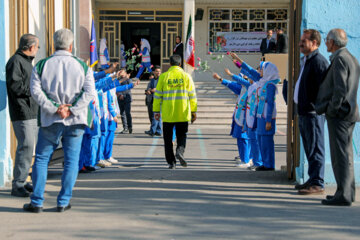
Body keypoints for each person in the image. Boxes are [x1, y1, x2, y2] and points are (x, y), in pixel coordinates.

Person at [24, 28, 97, 213]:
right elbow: (89, 93)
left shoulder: (41, 65)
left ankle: (37, 201)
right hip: (75, 120)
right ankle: (63, 201)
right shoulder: (82, 66)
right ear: (71, 46)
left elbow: (36, 92)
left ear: (54, 44)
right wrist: (71, 109)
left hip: (51, 119)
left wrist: (55, 108)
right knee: (71, 161)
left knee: (41, 159)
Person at [316, 29, 360, 206]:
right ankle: (346, 192)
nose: (325, 43)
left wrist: (332, 109)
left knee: (340, 156)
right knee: (345, 156)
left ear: (333, 42)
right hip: (347, 113)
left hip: (340, 115)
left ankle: (343, 195)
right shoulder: (350, 57)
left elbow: (340, 90)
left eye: (327, 40)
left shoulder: (340, 59)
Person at [294, 29, 329, 195]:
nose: (300, 43)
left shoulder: (319, 62)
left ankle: (318, 183)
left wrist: (317, 107)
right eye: (301, 40)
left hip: (313, 114)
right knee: (309, 148)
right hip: (304, 112)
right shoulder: (307, 60)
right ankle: (312, 178)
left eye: (304, 41)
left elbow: (326, 89)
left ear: (314, 43)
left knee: (316, 149)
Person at [6, 34, 40, 197]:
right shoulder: (16, 61)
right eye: (37, 47)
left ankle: (23, 179)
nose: (37, 50)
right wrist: (34, 91)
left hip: (31, 111)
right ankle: (17, 184)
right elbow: (15, 87)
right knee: (25, 146)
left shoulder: (26, 62)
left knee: (28, 147)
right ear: (31, 47)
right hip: (22, 111)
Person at [153, 55, 197, 169]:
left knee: (167, 140)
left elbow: (157, 96)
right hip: (182, 113)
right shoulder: (186, 76)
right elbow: (192, 96)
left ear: (170, 64)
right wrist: (193, 111)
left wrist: (156, 111)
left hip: (168, 114)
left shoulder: (163, 76)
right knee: (182, 136)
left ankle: (171, 162)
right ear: (180, 64)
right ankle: (180, 151)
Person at [212, 71, 251, 168]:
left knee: (244, 138)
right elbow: (232, 85)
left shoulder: (250, 87)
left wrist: (230, 74)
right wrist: (220, 79)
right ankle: (247, 158)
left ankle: (246, 160)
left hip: (245, 117)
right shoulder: (243, 88)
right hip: (241, 116)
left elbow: (235, 83)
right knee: (243, 138)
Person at [145, 66, 162, 136]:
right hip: (151, 99)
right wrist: (148, 91)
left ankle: (153, 130)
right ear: (154, 72)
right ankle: (158, 131)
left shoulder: (162, 79)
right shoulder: (152, 80)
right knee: (154, 115)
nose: (158, 73)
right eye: (156, 71)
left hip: (159, 100)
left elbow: (158, 89)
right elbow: (149, 88)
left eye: (159, 71)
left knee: (156, 115)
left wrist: (153, 90)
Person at [117, 69, 133, 134]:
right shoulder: (118, 80)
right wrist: (120, 95)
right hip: (120, 98)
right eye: (120, 72)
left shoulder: (128, 80)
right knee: (122, 114)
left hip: (127, 98)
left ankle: (130, 127)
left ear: (125, 73)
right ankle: (125, 127)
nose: (121, 74)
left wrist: (123, 94)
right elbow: (116, 88)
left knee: (127, 113)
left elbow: (129, 87)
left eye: (122, 72)